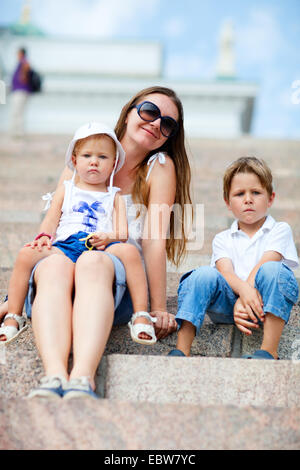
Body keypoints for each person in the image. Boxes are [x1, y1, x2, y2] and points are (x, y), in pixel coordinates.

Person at [0, 86, 192, 398]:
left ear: (170, 135)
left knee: (93, 259)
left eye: (168, 124)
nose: (157, 124)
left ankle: (82, 378)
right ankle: (53, 376)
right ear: (129, 112)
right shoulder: (84, 154)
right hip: (60, 280)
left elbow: (154, 240)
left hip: (113, 283)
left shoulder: (159, 168)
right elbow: (53, 225)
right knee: (53, 265)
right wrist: (14, 300)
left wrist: (157, 308)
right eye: (149, 112)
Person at [0, 122, 154, 347]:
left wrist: (109, 237)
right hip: (64, 246)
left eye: (102, 157)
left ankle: (141, 314)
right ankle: (14, 315)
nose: (94, 161)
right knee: (25, 254)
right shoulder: (67, 189)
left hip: (100, 247)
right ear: (74, 160)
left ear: (113, 165)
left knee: (129, 251)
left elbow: (123, 233)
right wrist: (44, 236)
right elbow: (52, 219)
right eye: (87, 155)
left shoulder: (114, 196)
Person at [169, 156, 299, 359]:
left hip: (265, 304)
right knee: (203, 274)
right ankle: (181, 349)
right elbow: (225, 272)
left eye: (256, 192)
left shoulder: (279, 229)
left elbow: (266, 262)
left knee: (274, 270)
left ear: (271, 198)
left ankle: (268, 351)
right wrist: (242, 295)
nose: (248, 199)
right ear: (228, 202)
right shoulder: (222, 238)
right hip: (228, 304)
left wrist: (246, 296)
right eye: (240, 194)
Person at [10, 47, 31, 137]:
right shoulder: (22, 62)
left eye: (18, 53)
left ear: (21, 54)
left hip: (20, 91)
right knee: (18, 112)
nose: (17, 55)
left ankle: (18, 132)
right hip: (20, 90)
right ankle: (18, 131)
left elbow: (27, 68)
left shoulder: (23, 61)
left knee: (17, 112)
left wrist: (23, 76)